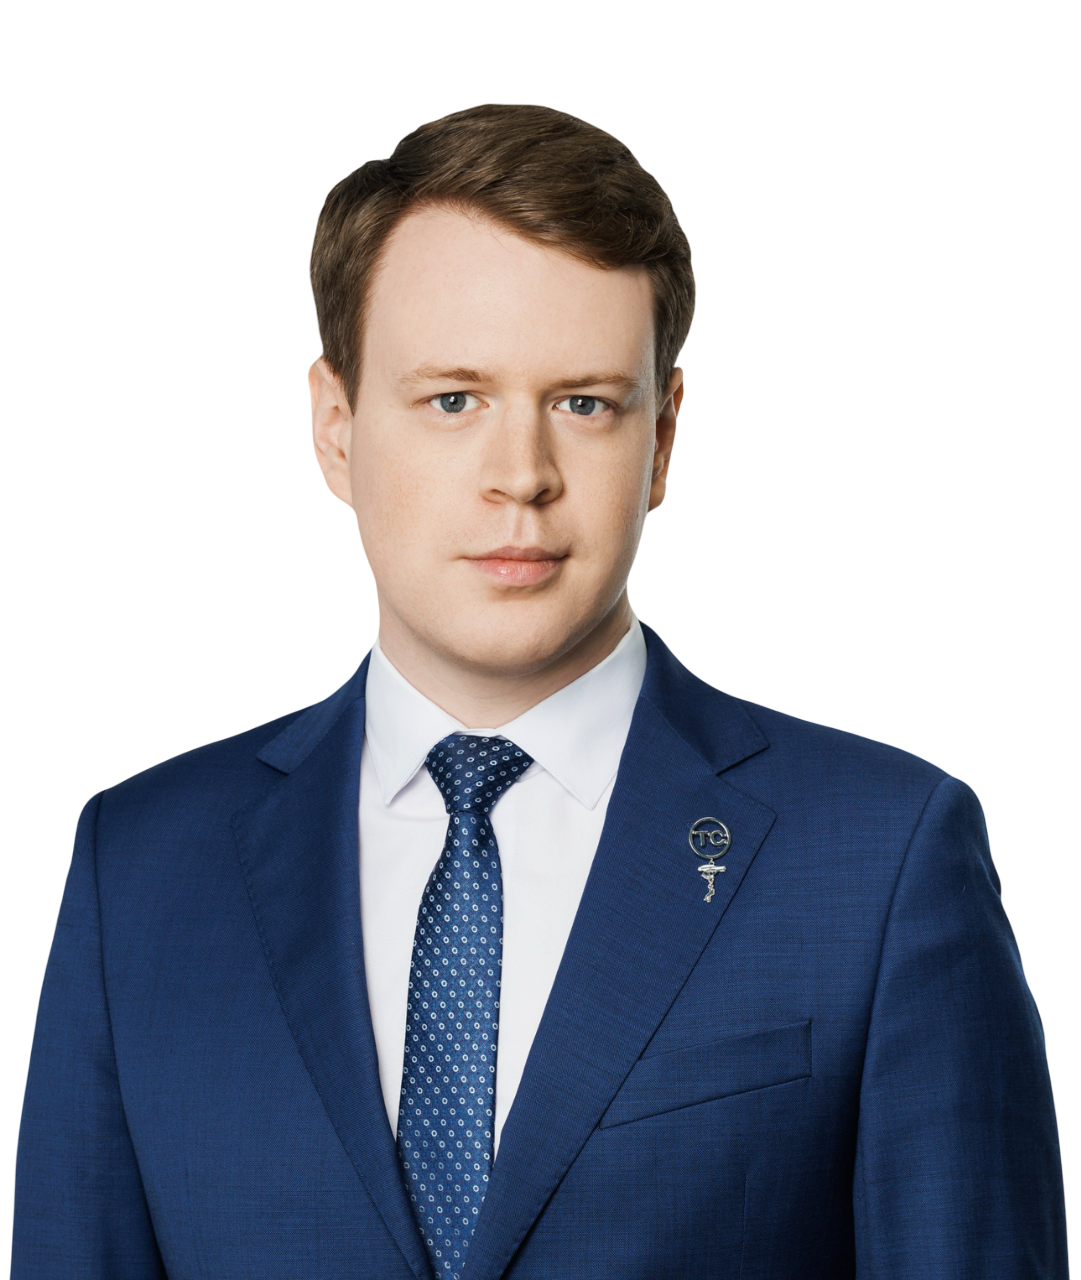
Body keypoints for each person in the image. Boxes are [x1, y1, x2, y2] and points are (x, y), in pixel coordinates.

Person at [12, 103, 1066, 1279]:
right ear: (334, 427)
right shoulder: (139, 869)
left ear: (662, 441)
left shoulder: (883, 857)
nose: (521, 476)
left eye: (583, 403)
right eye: (453, 399)